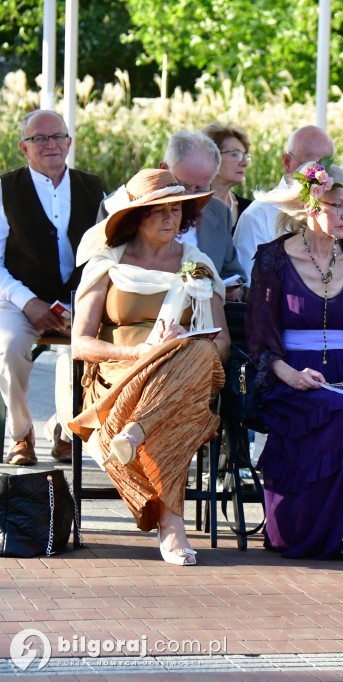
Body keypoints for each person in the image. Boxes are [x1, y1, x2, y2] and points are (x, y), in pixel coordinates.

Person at [68, 169, 229, 566]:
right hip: (120, 374)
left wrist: (177, 350)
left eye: (177, 210)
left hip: (186, 370)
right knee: (177, 409)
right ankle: (172, 526)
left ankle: (136, 429)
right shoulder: (107, 263)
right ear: (137, 217)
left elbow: (222, 342)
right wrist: (139, 353)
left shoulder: (198, 264)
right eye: (159, 211)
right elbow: (80, 343)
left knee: (199, 353)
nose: (171, 218)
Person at [246, 160, 343, 561]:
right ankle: (326, 530)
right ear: (310, 204)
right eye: (337, 206)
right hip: (293, 375)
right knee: (336, 411)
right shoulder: (272, 259)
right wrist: (289, 374)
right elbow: (261, 338)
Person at [1, 110, 104, 465]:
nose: (50, 145)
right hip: (18, 299)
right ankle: (21, 435)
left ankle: (64, 428)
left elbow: (107, 252)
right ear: (23, 148)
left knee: (96, 350)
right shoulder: (4, 189)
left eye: (58, 136)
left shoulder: (94, 187)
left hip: (79, 299)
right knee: (11, 349)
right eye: (39, 139)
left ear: (69, 142)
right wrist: (28, 303)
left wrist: (87, 302)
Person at [100, 131, 246, 297]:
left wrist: (233, 289)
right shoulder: (121, 206)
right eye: (184, 186)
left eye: (202, 188)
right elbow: (99, 272)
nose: (191, 195)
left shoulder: (219, 212)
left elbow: (232, 272)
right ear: (164, 168)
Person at [233, 125, 335, 282]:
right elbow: (249, 289)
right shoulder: (257, 216)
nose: (321, 174)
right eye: (311, 166)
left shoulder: (339, 211)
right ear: (287, 162)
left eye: (327, 166)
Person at [202, 122, 252, 232]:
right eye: (235, 154)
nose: (244, 163)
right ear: (212, 157)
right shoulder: (192, 207)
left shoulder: (249, 209)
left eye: (246, 156)